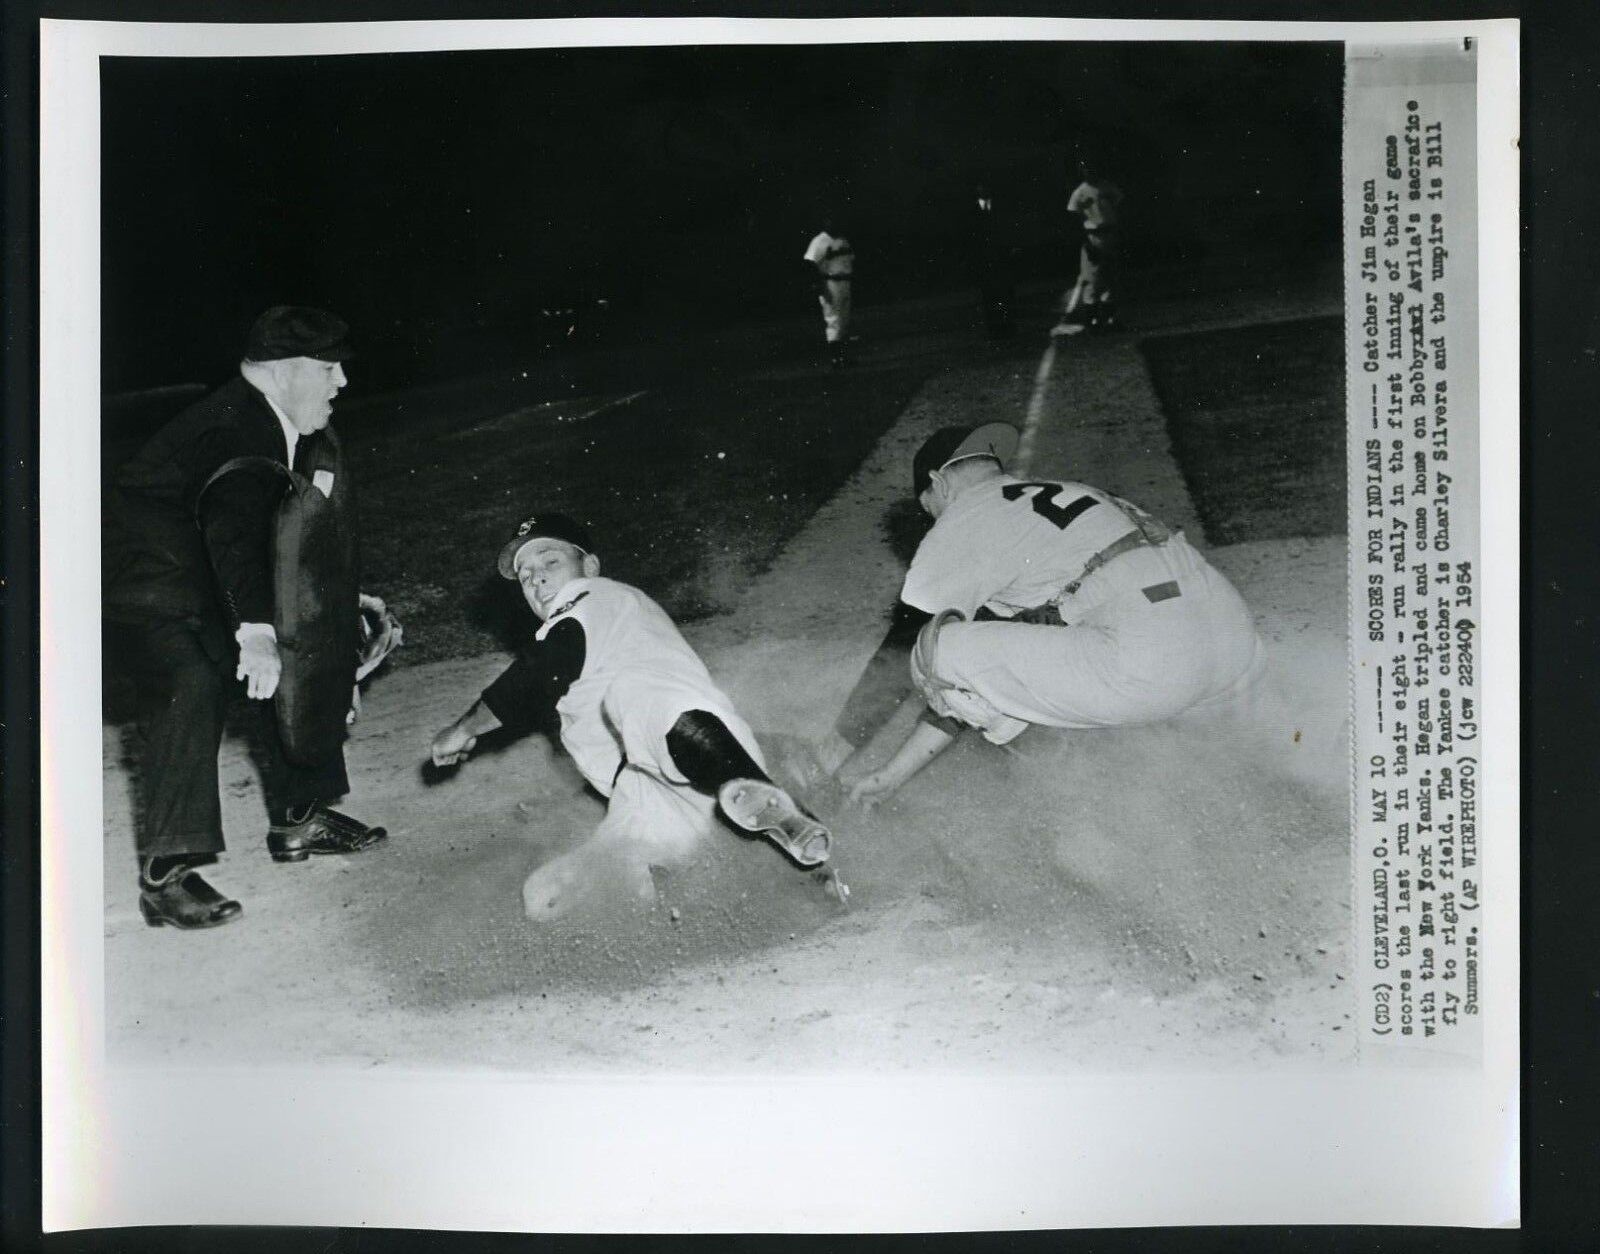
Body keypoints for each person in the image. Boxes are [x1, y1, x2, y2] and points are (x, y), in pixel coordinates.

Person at [104, 306, 389, 930]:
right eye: (328, 368)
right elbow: (233, 529)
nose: (341, 382)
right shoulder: (235, 429)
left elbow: (295, 532)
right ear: (285, 371)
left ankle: (299, 819)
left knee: (304, 649)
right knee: (192, 678)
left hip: (210, 568)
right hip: (147, 581)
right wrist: (256, 633)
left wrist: (336, 611)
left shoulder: (287, 416)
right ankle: (166, 876)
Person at [430, 512, 834, 921]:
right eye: (526, 574)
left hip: (700, 750)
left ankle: (766, 800)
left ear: (589, 567)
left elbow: (542, 670)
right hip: (648, 794)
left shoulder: (600, 598)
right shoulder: (568, 630)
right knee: (547, 897)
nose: (537, 578)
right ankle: (771, 889)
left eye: (550, 562)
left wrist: (464, 729)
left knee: (632, 697)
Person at [836, 422, 1264, 805]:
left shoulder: (971, 512)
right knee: (1026, 656)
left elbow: (910, 648)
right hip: (1235, 644)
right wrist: (892, 776)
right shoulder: (1072, 496)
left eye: (926, 505)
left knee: (935, 648)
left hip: (1154, 664)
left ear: (938, 483)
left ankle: (1076, 781)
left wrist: (835, 748)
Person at [1053, 156, 1124, 336]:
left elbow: (1118, 206)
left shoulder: (1107, 187)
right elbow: (1075, 220)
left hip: (1110, 234)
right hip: (1093, 236)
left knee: (1111, 277)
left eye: (1091, 167)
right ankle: (1092, 319)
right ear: (1081, 171)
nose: (1089, 171)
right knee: (1093, 278)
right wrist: (1086, 242)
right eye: (1084, 168)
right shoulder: (1080, 193)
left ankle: (1110, 318)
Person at [802, 214, 856, 368]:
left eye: (836, 220)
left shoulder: (843, 240)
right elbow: (810, 264)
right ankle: (836, 359)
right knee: (834, 321)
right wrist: (821, 288)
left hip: (845, 282)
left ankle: (844, 358)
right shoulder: (819, 241)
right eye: (829, 220)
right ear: (824, 223)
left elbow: (849, 261)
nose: (833, 223)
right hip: (830, 283)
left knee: (844, 321)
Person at [967, 181, 1015, 340]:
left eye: (986, 185)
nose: (983, 188)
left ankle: (1009, 330)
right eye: (980, 185)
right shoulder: (972, 212)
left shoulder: (1001, 208)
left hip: (1001, 259)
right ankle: (994, 332)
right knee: (989, 298)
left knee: (1006, 296)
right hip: (984, 262)